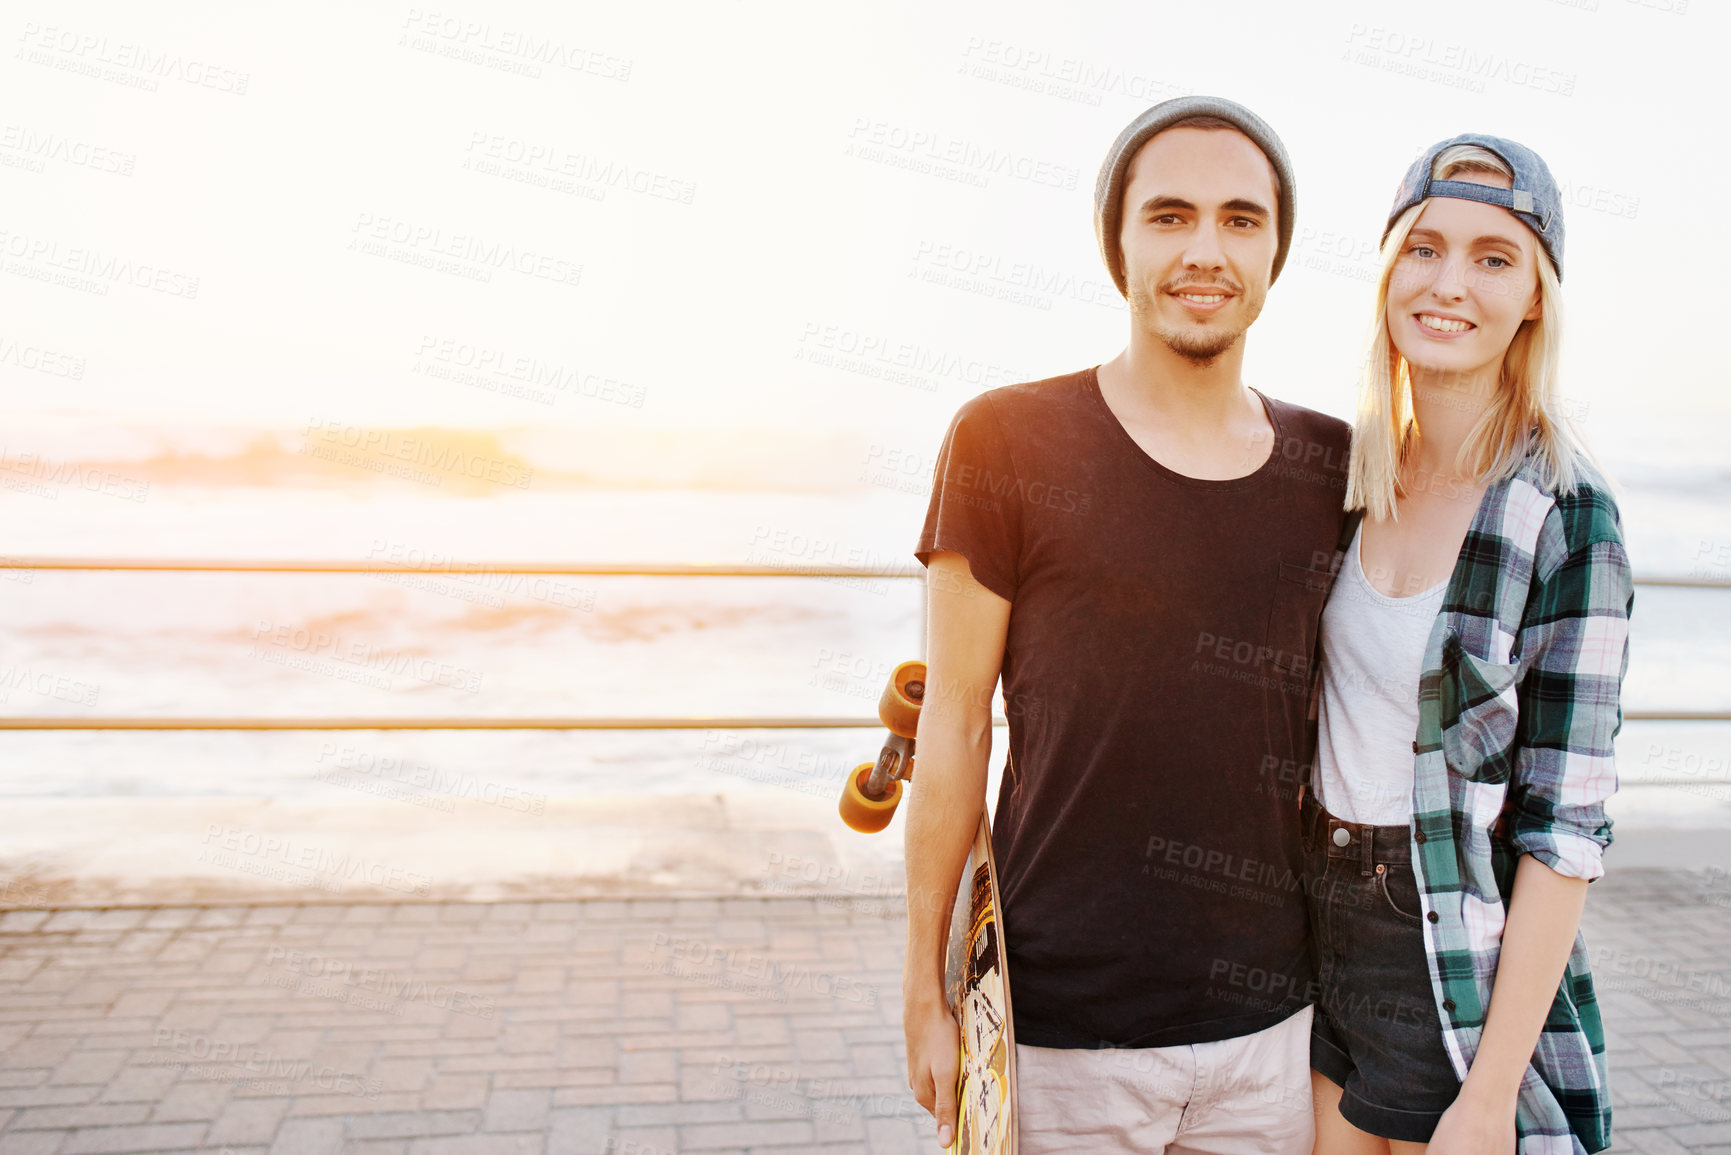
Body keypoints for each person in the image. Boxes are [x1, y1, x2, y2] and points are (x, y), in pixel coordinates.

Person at [903, 95, 1352, 1154]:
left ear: (1278, 248)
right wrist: (923, 992)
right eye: (1170, 216)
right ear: (1118, 240)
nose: (1206, 249)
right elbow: (955, 725)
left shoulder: (1332, 466)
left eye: (1242, 219)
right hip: (1058, 1035)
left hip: (1270, 1038)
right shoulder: (1007, 440)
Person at [1301, 134, 1632, 1154]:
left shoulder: (1566, 516)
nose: (1450, 283)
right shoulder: (1344, 481)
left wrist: (1490, 1097)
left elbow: (1563, 833)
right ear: (1389, 271)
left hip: (1448, 958)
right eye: (1425, 248)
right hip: (1311, 941)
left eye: (1495, 258)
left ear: (1536, 297)